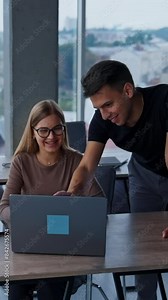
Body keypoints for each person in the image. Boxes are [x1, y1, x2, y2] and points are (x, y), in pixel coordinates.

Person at [62, 60, 168, 300]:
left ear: (128, 91)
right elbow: (87, 165)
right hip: (143, 175)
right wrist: (71, 196)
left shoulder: (164, 99)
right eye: (98, 108)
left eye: (108, 105)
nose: (104, 115)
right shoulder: (102, 119)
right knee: (144, 249)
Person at [0, 99, 103, 300]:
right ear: (33, 132)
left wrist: (74, 200)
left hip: (65, 249)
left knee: (51, 291)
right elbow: (3, 207)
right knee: (17, 293)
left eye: (57, 129)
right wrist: (25, 217)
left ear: (64, 130)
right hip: (28, 247)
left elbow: (99, 204)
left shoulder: (75, 160)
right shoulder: (22, 161)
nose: (51, 136)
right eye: (43, 130)